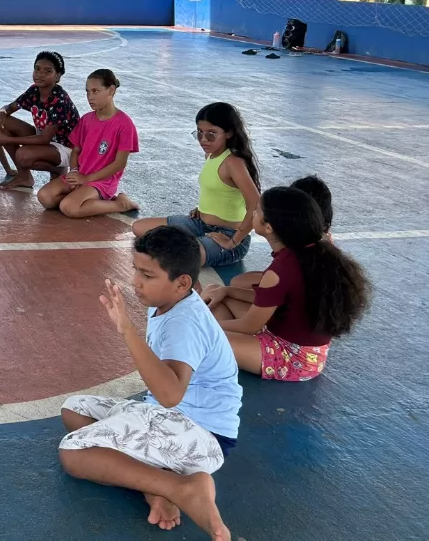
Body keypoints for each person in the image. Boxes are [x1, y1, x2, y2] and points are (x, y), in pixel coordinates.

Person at [59, 226, 240, 541]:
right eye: (135, 270)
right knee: (73, 409)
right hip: (170, 419)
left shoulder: (184, 324)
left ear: (182, 283)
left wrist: (127, 330)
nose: (135, 281)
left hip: (201, 433)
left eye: (147, 275)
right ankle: (156, 486)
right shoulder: (172, 301)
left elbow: (170, 395)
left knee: (73, 453)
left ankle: (181, 487)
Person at [203, 187, 369, 382]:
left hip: (292, 357)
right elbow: (268, 299)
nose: (253, 213)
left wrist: (203, 325)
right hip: (300, 345)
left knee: (202, 336)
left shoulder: (282, 269)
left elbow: (249, 326)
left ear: (268, 227)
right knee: (218, 296)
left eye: (257, 210)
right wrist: (227, 291)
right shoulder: (311, 252)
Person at [132, 102, 261, 269]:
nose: (203, 139)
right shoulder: (210, 155)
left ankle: (200, 245)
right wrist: (203, 208)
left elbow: (255, 204)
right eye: (199, 133)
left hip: (228, 234)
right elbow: (219, 191)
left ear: (229, 133)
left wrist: (234, 241)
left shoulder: (233, 162)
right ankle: (197, 242)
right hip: (200, 224)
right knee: (139, 227)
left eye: (211, 134)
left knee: (177, 258)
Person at [37, 69, 139, 218]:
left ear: (111, 90)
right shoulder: (86, 120)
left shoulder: (124, 124)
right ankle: (81, 198)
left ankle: (121, 204)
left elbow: (119, 164)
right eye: (87, 92)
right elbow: (76, 151)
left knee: (69, 207)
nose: (90, 96)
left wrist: (87, 179)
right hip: (81, 175)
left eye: (95, 91)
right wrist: (74, 172)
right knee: (45, 197)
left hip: (102, 181)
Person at [0, 51, 80, 191]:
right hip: (45, 138)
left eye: (47, 71)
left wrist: (6, 140)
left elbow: (44, 139)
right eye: (37, 69)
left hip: (65, 147)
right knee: (4, 123)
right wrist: (2, 113)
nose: (40, 74)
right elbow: (11, 107)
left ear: (57, 76)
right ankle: (24, 176)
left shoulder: (59, 99)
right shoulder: (34, 91)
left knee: (22, 155)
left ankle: (58, 169)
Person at [225, 175, 333, 292]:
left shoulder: (297, 242)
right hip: (299, 285)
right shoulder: (317, 238)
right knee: (238, 282)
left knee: (237, 283)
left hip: (299, 290)